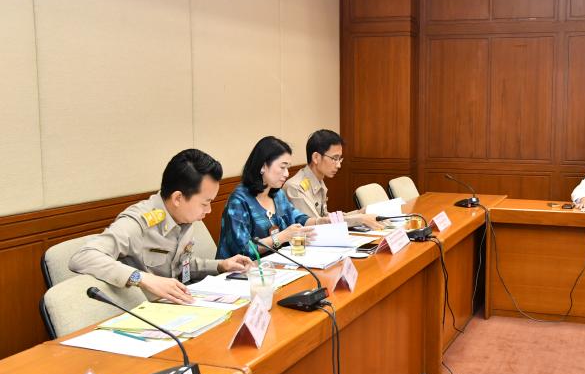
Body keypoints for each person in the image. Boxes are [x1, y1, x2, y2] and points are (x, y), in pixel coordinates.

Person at [70, 149, 253, 304]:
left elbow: (181, 266)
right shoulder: (138, 223)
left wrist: (221, 265)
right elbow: (82, 257)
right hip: (143, 312)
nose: (209, 210)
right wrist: (142, 278)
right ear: (178, 198)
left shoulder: (183, 218)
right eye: (205, 203)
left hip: (178, 305)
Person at [217, 136, 332, 259]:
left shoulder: (277, 194)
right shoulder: (239, 201)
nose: (287, 173)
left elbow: (297, 218)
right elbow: (243, 250)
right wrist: (281, 237)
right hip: (242, 269)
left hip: (276, 263)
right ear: (262, 166)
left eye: (288, 168)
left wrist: (319, 221)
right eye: (282, 167)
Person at [284, 129, 382, 229]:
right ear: (316, 157)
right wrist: (360, 219)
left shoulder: (318, 179)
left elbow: (325, 217)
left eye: (340, 159)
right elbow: (315, 225)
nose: (339, 165)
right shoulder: (296, 187)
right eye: (334, 158)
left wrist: (359, 213)